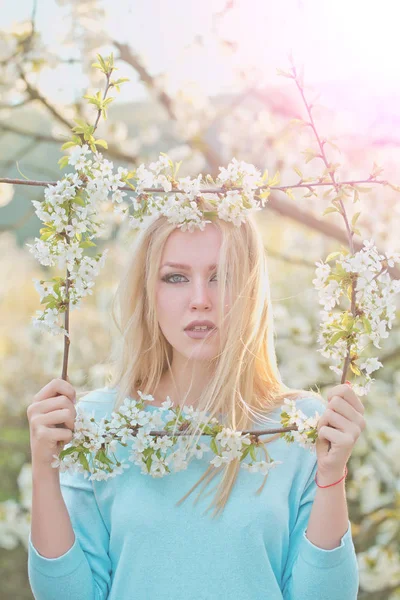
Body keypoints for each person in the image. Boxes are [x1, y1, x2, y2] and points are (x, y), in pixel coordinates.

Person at [27, 207, 360, 599]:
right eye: (176, 277)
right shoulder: (99, 425)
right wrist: (44, 470)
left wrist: (332, 473)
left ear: (251, 290)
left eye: (223, 277)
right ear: (149, 291)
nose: (201, 299)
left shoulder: (298, 426)